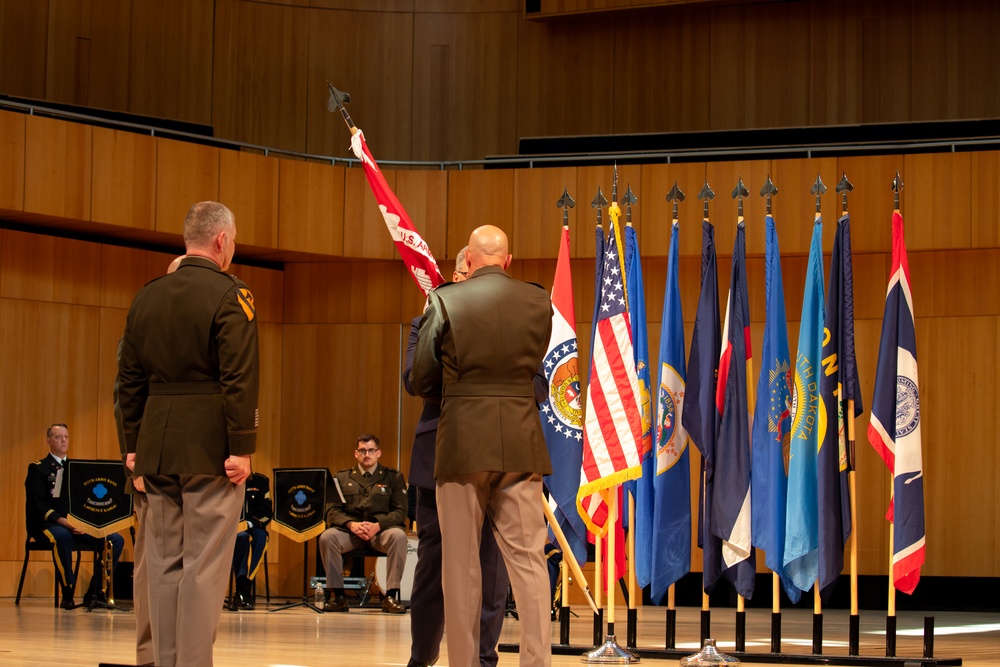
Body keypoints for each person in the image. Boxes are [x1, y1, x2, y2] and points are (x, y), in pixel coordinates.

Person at [116, 201, 259, 667]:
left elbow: (129, 380)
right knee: (203, 570)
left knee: (160, 566)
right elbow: (239, 378)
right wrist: (242, 448)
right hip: (210, 449)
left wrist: (131, 447)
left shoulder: (147, 295)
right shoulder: (230, 294)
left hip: (156, 448)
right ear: (222, 241)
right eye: (233, 242)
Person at [411, 225, 554, 667]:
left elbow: (421, 377)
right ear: (507, 261)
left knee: (460, 568)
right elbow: (535, 366)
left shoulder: (444, 299)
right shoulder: (538, 300)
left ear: (468, 261)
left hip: (461, 444)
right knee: (529, 564)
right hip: (520, 441)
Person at [403, 247, 511, 667]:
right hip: (436, 459)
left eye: (476, 272)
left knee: (489, 567)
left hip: (495, 455)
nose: (467, 280)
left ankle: (483, 659)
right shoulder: (424, 322)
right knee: (433, 566)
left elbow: (534, 389)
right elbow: (416, 381)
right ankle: (422, 658)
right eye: (462, 273)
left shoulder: (505, 329)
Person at [24, 423, 125, 610]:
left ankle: (95, 592)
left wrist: (89, 524)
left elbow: (84, 501)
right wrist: (63, 521)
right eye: (58, 437)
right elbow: (37, 503)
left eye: (66, 437)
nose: (63, 440)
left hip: (77, 525)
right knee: (62, 537)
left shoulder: (77, 469)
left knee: (114, 540)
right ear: (48, 441)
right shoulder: (38, 468)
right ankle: (67, 591)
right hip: (48, 524)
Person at [318, 433, 408, 614]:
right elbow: (331, 511)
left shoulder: (393, 477)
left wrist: (377, 525)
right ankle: (339, 597)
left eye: (371, 450)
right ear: (356, 453)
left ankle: (390, 596)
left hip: (381, 532)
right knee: (327, 537)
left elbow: (400, 512)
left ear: (379, 453)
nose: (367, 454)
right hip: (351, 533)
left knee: (399, 536)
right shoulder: (342, 478)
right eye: (362, 451)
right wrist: (351, 524)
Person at [229, 470, 272, 610]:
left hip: (253, 525)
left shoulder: (260, 481)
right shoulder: (225, 480)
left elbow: (266, 513)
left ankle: (245, 587)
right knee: (241, 538)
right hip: (231, 527)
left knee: (260, 538)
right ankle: (241, 588)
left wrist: (249, 523)